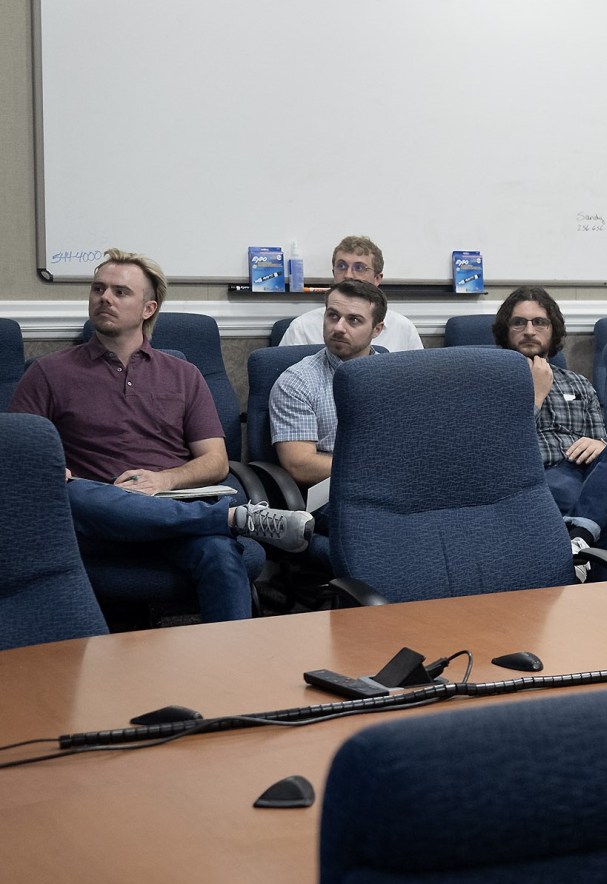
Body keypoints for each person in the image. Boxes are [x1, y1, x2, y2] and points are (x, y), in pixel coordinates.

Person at [8, 249, 313, 623]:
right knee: (72, 494)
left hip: (172, 511)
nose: (104, 297)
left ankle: (233, 671)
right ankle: (232, 518)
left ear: (148, 308)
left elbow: (215, 461)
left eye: (120, 292)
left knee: (220, 556)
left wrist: (163, 479)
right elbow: (16, 459)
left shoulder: (183, 374)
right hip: (94, 519)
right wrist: (54, 472)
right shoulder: (48, 372)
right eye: (98, 289)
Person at [492, 286, 607, 553]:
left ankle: (581, 536)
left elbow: (605, 447)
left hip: (586, 474)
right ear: (506, 331)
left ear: (554, 330)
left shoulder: (578, 383)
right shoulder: (491, 385)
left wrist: (599, 445)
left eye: (539, 322)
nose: (529, 330)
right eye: (519, 323)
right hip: (539, 478)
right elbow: (501, 451)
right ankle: (586, 539)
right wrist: (536, 396)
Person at [268, 279, 385, 494]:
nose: (339, 328)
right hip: (333, 491)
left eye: (354, 320)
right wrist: (378, 469)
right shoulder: (297, 382)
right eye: (333, 316)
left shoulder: (394, 378)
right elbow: (300, 465)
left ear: (376, 329)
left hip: (394, 486)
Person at [278, 236, 423, 351]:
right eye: (341, 266)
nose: (348, 275)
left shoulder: (403, 328)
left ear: (377, 278)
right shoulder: (302, 327)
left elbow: (416, 383)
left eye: (359, 267)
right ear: (333, 273)